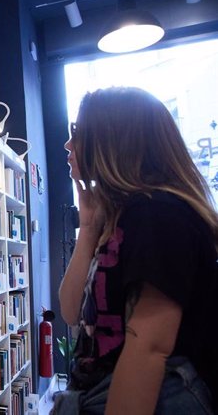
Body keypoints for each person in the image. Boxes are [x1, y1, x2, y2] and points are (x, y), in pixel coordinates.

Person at [54, 87, 218, 414]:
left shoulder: (158, 215)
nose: (68, 145)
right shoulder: (121, 216)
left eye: (78, 132)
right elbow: (71, 312)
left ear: (113, 139)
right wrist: (88, 230)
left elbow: (149, 348)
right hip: (106, 389)